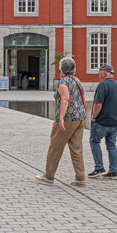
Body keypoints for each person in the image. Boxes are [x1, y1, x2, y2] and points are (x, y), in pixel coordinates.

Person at [36, 57, 87, 187]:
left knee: (55, 147)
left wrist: (61, 118)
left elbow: (65, 99)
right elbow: (82, 99)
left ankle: (48, 176)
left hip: (68, 119)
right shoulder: (77, 81)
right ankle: (80, 178)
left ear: (62, 69)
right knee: (77, 149)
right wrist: (83, 114)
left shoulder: (63, 82)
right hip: (79, 118)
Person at [88, 63, 117, 180]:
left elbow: (98, 104)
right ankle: (113, 171)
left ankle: (99, 168)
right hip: (114, 122)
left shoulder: (102, 85)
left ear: (104, 72)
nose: (98, 73)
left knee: (94, 141)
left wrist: (94, 117)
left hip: (101, 122)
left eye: (100, 71)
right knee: (111, 145)